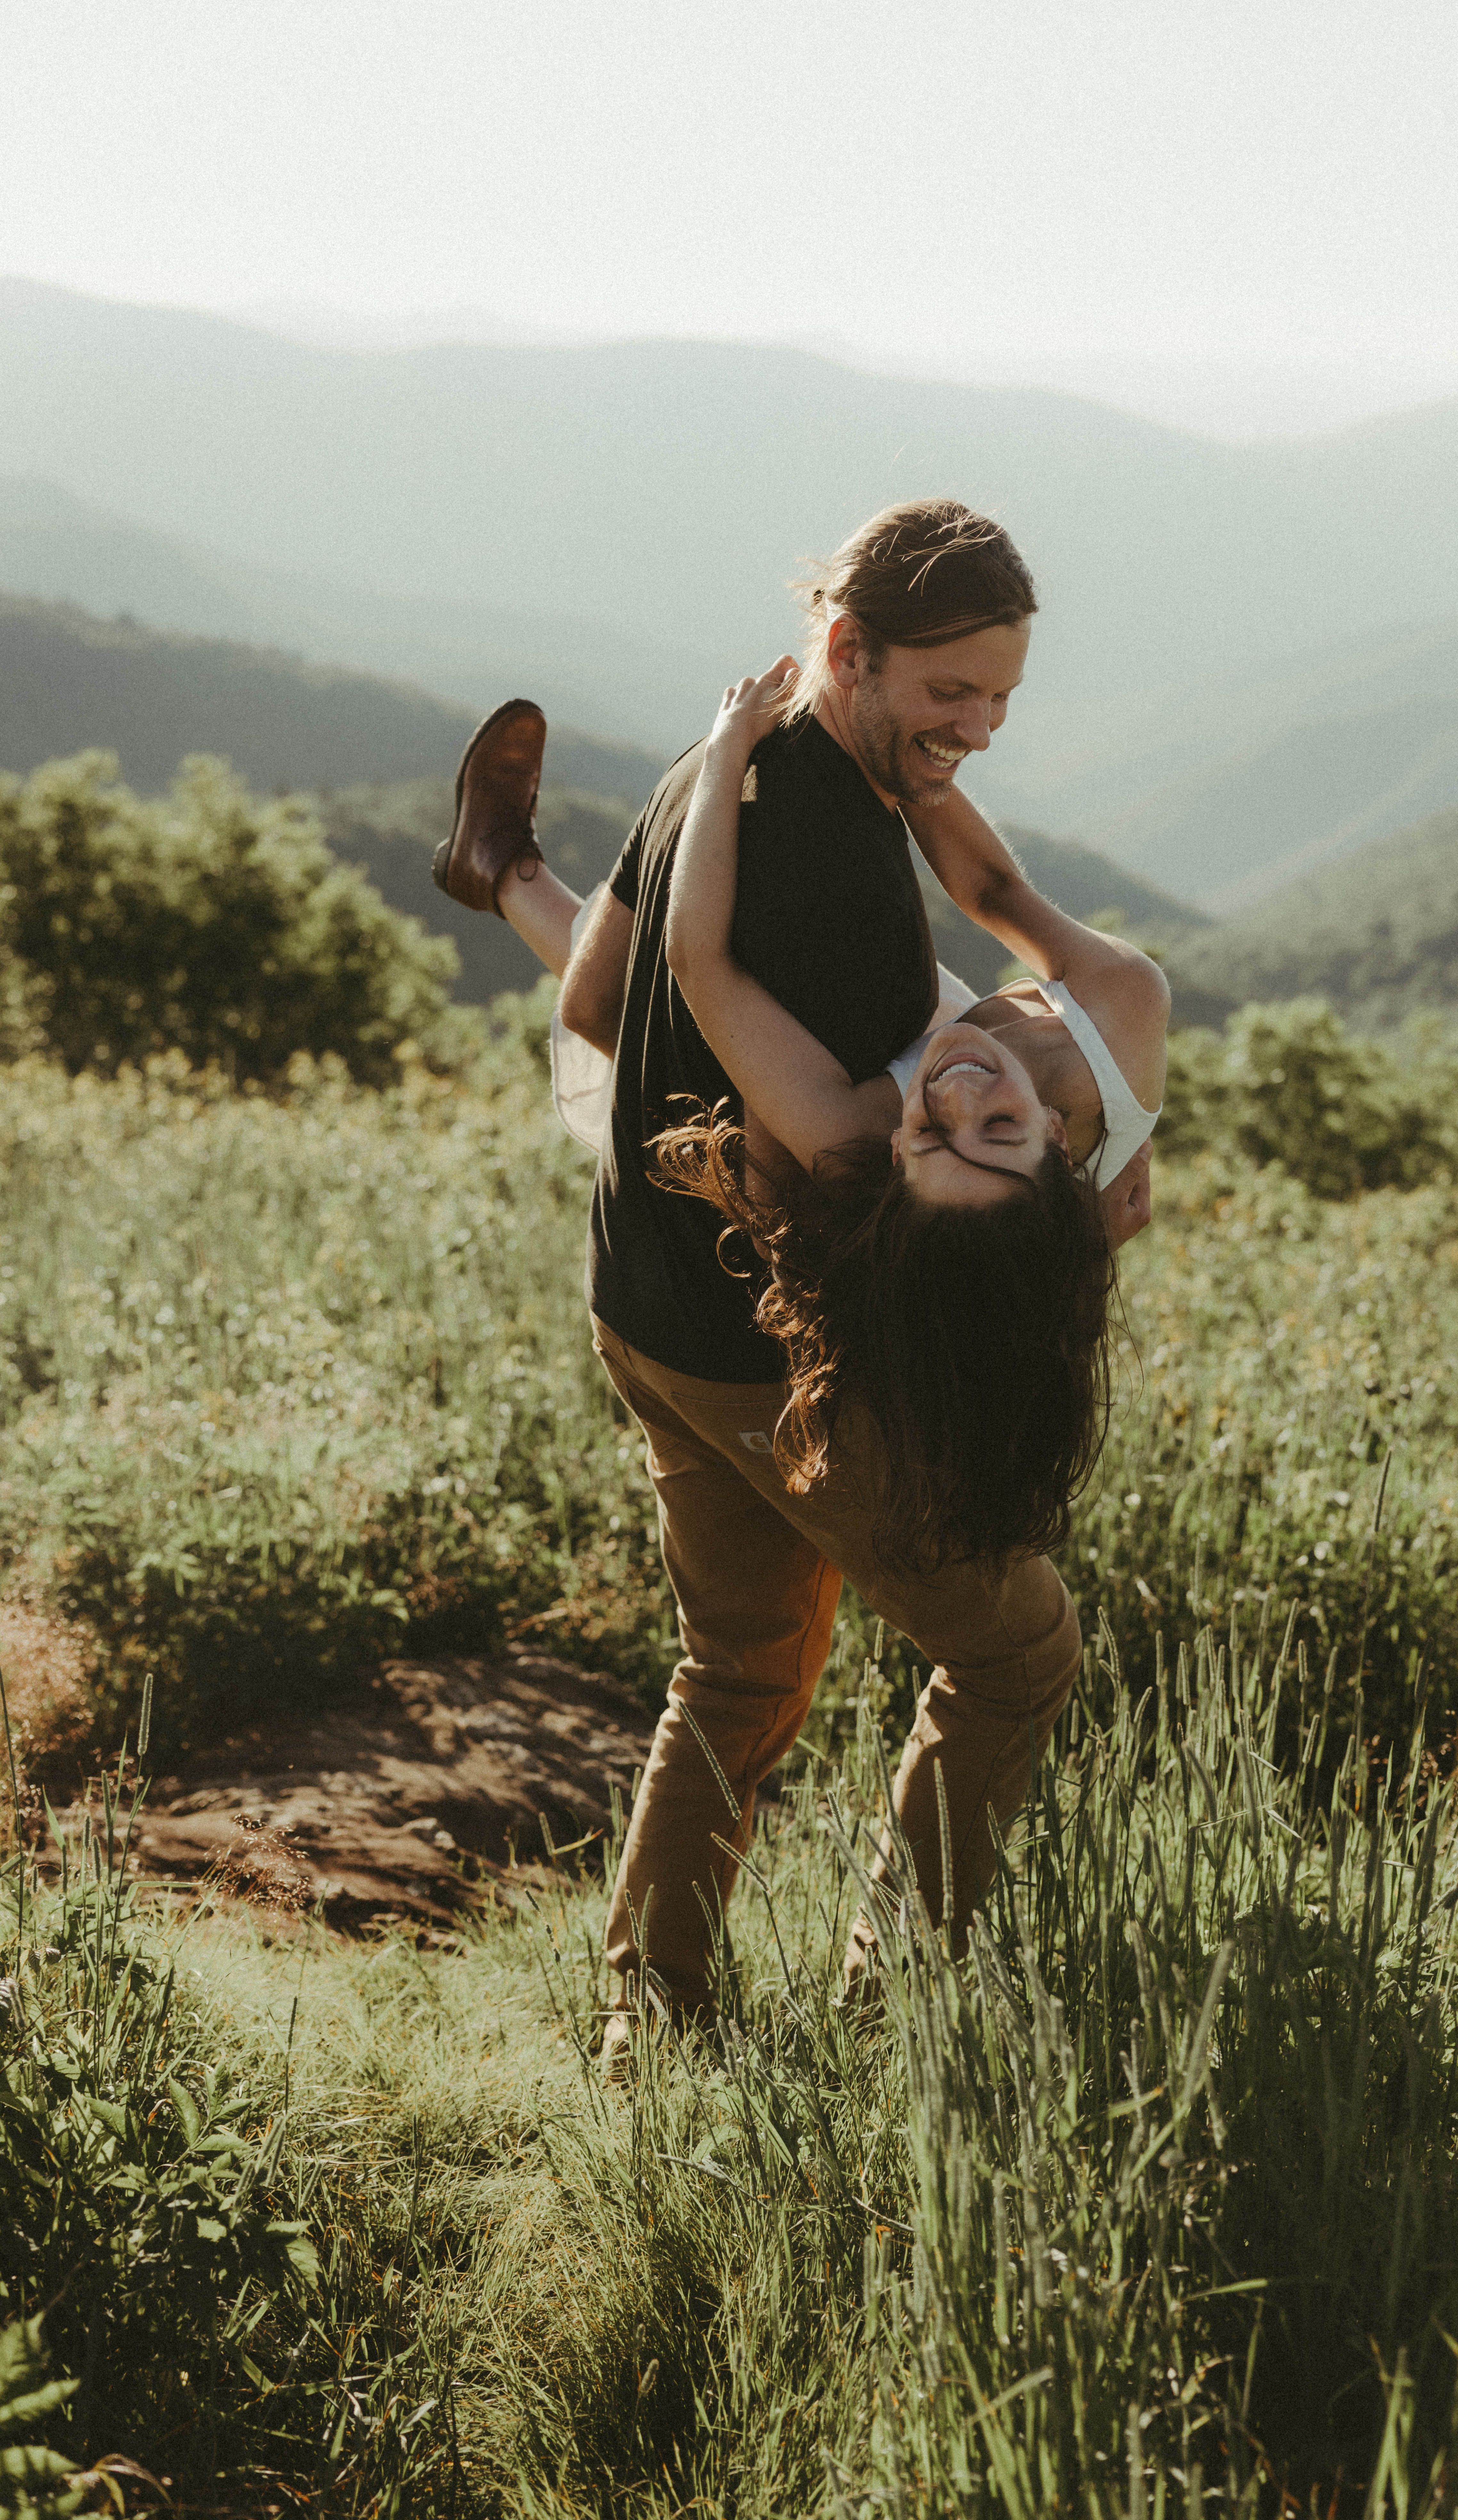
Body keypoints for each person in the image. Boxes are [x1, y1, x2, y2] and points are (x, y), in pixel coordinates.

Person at [429, 499, 1157, 2051]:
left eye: (1000, 697)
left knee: (739, 1665)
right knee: (1016, 1651)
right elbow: (837, 1170)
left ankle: (654, 2022)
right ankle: (895, 2017)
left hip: (645, 1304)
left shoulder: (722, 765)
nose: (978, 726)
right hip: (780, 1362)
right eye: (949, 691)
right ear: (850, 648)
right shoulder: (836, 879)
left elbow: (601, 996)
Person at [653, 655, 1169, 1577]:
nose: (959, 1093)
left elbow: (697, 960)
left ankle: (508, 880)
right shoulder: (1123, 1009)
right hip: (1039, 1198)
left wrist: (729, 747)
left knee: (610, 1016)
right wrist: (902, 737)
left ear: (895, 1154)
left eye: (933, 1134)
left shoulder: (848, 1138)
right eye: (1000, 1129)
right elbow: (997, 894)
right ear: (1057, 1140)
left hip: (941, 1199)